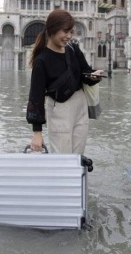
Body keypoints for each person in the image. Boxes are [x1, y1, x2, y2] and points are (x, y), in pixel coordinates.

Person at [26, 9, 104, 154]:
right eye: (65, 31)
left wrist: (93, 76)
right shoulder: (42, 60)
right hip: (58, 109)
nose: (69, 36)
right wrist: (37, 133)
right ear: (52, 30)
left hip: (80, 106)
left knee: (77, 156)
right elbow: (35, 97)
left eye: (71, 32)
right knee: (62, 158)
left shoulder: (73, 49)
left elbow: (84, 72)